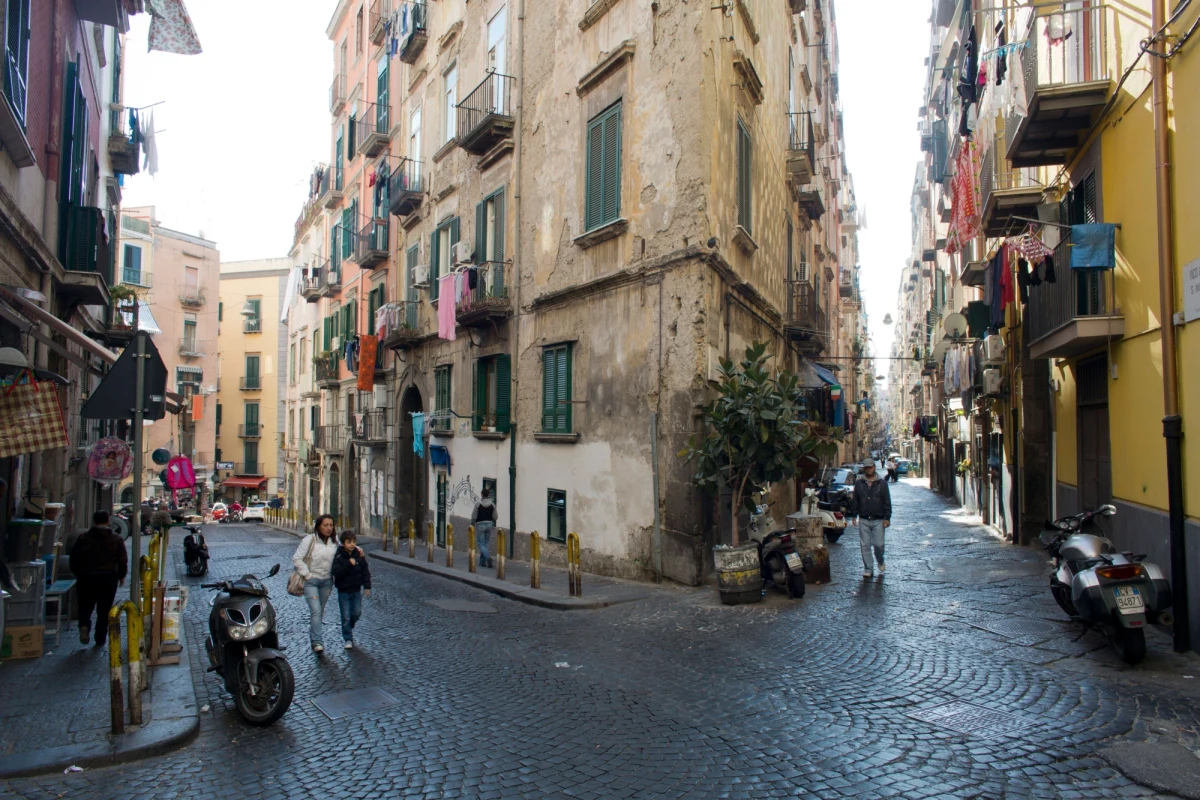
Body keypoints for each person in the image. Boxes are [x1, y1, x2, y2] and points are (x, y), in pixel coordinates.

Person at [70, 510, 128, 646]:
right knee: (104, 609)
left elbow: (74, 558)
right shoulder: (115, 538)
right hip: (107, 578)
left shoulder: (83, 538)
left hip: (86, 577)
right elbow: (122, 559)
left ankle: (84, 625)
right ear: (108, 521)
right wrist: (122, 575)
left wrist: (78, 573)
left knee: (85, 606)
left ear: (94, 521)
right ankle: (100, 637)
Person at [292, 514, 340, 653]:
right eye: (326, 525)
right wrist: (307, 575)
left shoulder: (335, 541)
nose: (329, 528)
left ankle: (315, 634)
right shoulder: (310, 539)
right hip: (311, 581)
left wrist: (357, 552)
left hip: (327, 582)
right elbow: (297, 559)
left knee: (320, 611)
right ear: (319, 526)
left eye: (331, 525)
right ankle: (317, 641)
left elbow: (345, 552)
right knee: (316, 610)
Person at [850, 460, 892, 579]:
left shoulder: (882, 484)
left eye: (870, 467)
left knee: (879, 544)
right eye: (866, 468)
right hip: (863, 518)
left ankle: (880, 560)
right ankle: (868, 568)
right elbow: (855, 500)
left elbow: (887, 501)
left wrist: (887, 517)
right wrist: (854, 515)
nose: (868, 469)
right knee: (865, 545)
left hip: (878, 519)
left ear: (874, 467)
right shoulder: (859, 483)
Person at [330, 531, 371, 650]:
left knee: (356, 613)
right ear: (343, 543)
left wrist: (367, 586)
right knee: (345, 616)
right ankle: (348, 638)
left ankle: (349, 625)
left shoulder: (359, 555)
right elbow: (336, 572)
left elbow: (365, 571)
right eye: (349, 542)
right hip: (343, 591)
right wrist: (349, 564)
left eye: (354, 542)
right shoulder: (339, 555)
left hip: (356, 590)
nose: (352, 544)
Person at [471, 487, 498, 568]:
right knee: (485, 544)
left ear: (482, 494)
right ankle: (482, 562)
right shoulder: (492, 504)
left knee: (480, 543)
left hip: (480, 524)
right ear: (488, 495)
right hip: (489, 524)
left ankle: (488, 557)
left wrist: (472, 523)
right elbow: (495, 517)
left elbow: (474, 515)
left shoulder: (478, 504)